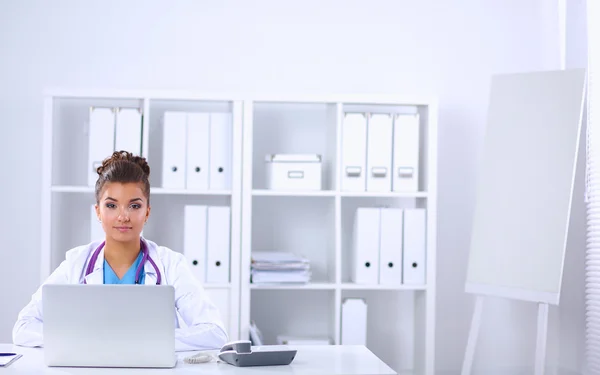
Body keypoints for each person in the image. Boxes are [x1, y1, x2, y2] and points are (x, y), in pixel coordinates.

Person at [12, 151, 228, 351]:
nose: (123, 216)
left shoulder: (170, 264)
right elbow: (23, 327)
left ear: (147, 211)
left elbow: (214, 333)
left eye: (134, 206)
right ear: (98, 211)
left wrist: (145, 341)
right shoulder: (76, 262)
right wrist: (81, 339)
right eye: (111, 205)